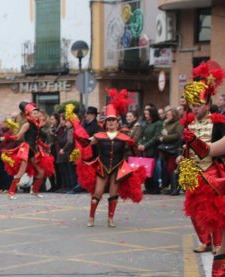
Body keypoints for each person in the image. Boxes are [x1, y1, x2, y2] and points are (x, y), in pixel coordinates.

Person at [178, 61, 225, 272]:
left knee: (215, 210)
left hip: (212, 169)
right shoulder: (188, 124)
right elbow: (185, 148)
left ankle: (217, 243)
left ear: (207, 105)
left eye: (198, 105)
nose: (195, 108)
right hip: (192, 171)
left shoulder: (218, 122)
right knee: (194, 210)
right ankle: (204, 241)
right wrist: (181, 158)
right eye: (193, 105)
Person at [75, 89, 146, 228]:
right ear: (106, 123)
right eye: (109, 121)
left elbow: (134, 151)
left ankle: (110, 218)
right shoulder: (99, 136)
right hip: (102, 166)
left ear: (118, 122)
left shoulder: (125, 137)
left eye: (113, 120)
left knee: (113, 194)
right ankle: (91, 217)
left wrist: (135, 146)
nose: (111, 123)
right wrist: (77, 129)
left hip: (118, 168)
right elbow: (86, 143)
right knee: (97, 193)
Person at [15, 102, 55, 198]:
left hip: (34, 150)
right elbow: (18, 136)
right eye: (34, 113)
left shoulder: (37, 125)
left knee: (40, 171)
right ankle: (12, 191)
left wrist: (44, 146)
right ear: (29, 114)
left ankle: (34, 190)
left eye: (37, 113)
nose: (37, 114)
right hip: (27, 150)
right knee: (22, 171)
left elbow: (38, 138)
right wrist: (8, 137)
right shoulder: (27, 124)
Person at [137, 107, 163, 194]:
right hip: (145, 150)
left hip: (153, 149)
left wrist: (145, 145)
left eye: (147, 114)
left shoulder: (158, 123)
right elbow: (142, 135)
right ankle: (148, 187)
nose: (146, 116)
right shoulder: (147, 124)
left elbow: (156, 137)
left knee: (154, 169)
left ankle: (155, 187)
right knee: (146, 168)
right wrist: (140, 144)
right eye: (145, 114)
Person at [158, 108, 183, 195]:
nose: (167, 116)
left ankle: (175, 188)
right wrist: (161, 137)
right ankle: (172, 187)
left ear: (174, 115)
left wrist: (164, 138)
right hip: (166, 149)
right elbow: (161, 133)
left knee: (173, 168)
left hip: (174, 148)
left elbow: (178, 135)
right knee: (168, 169)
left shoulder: (178, 123)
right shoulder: (166, 123)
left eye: (169, 114)